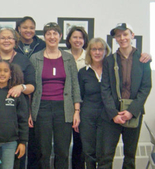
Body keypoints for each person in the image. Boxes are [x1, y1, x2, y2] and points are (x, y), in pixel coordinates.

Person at [0, 27, 36, 169]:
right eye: (2, 37)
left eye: (10, 37)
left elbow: (32, 86)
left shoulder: (23, 60)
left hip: (12, 136)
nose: (6, 40)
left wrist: (21, 87)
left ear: (15, 41)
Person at [99, 23, 152, 168]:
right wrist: (114, 113)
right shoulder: (109, 60)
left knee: (129, 156)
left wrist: (131, 112)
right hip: (112, 116)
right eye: (118, 35)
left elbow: (146, 87)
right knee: (105, 156)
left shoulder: (143, 60)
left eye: (125, 34)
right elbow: (105, 88)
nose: (122, 38)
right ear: (115, 38)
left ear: (132, 35)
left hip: (133, 114)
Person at [30, 22, 81, 169]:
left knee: (63, 151)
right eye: (48, 33)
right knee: (43, 151)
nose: (52, 37)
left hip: (64, 108)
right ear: (44, 36)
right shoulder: (35, 58)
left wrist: (76, 111)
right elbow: (31, 86)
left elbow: (75, 86)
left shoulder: (68, 58)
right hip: (42, 107)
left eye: (55, 33)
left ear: (60, 36)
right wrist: (29, 112)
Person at [15, 16, 45, 169]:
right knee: (18, 140)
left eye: (31, 27)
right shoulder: (13, 45)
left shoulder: (42, 45)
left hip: (38, 95)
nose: (28, 30)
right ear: (18, 29)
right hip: (17, 97)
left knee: (36, 141)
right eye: (25, 27)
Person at [78, 38, 111, 169]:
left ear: (105, 51)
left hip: (108, 116)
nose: (97, 52)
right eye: (94, 49)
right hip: (87, 116)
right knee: (89, 152)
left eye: (100, 49)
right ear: (89, 52)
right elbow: (79, 96)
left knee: (106, 153)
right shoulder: (83, 72)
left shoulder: (112, 71)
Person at [65, 26, 89, 169]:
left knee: (80, 143)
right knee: (64, 142)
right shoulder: (62, 55)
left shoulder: (89, 57)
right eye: (75, 37)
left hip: (84, 105)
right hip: (66, 105)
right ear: (69, 39)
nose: (78, 40)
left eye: (81, 37)